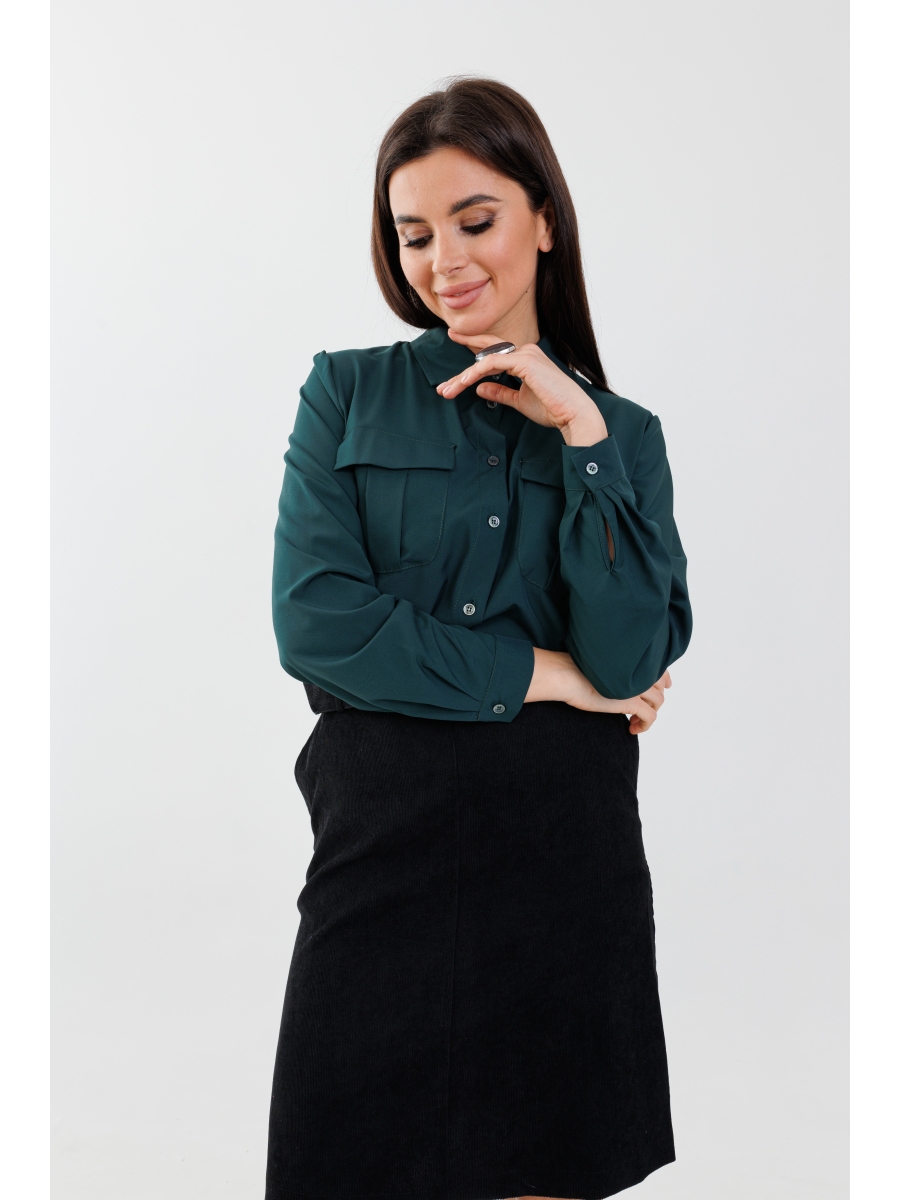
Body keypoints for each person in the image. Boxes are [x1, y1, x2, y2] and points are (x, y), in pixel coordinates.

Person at [266, 76, 692, 1200]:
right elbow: (318, 627)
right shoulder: (345, 394)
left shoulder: (626, 437)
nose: (443, 261)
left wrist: (582, 434)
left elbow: (631, 661)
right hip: (379, 841)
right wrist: (549, 673)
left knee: (546, 1170)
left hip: (564, 857)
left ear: (544, 219)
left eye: (475, 220)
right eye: (414, 234)